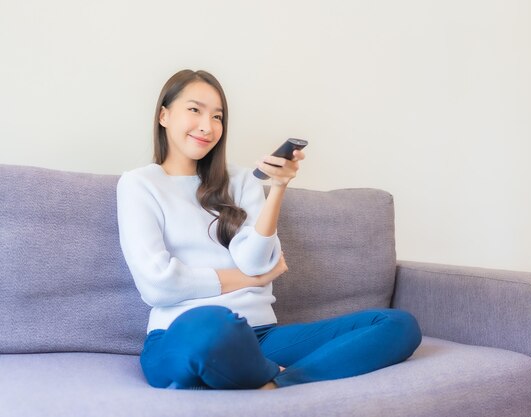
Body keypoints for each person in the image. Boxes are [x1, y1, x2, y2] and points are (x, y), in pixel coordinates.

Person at [116, 69, 422, 390]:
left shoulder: (242, 180)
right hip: (182, 333)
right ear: (164, 115)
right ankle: (255, 371)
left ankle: (281, 381)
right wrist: (251, 282)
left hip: (261, 334)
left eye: (217, 116)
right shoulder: (139, 185)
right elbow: (158, 285)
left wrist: (277, 187)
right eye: (195, 110)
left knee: (398, 324)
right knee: (212, 324)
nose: (208, 126)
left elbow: (257, 262)